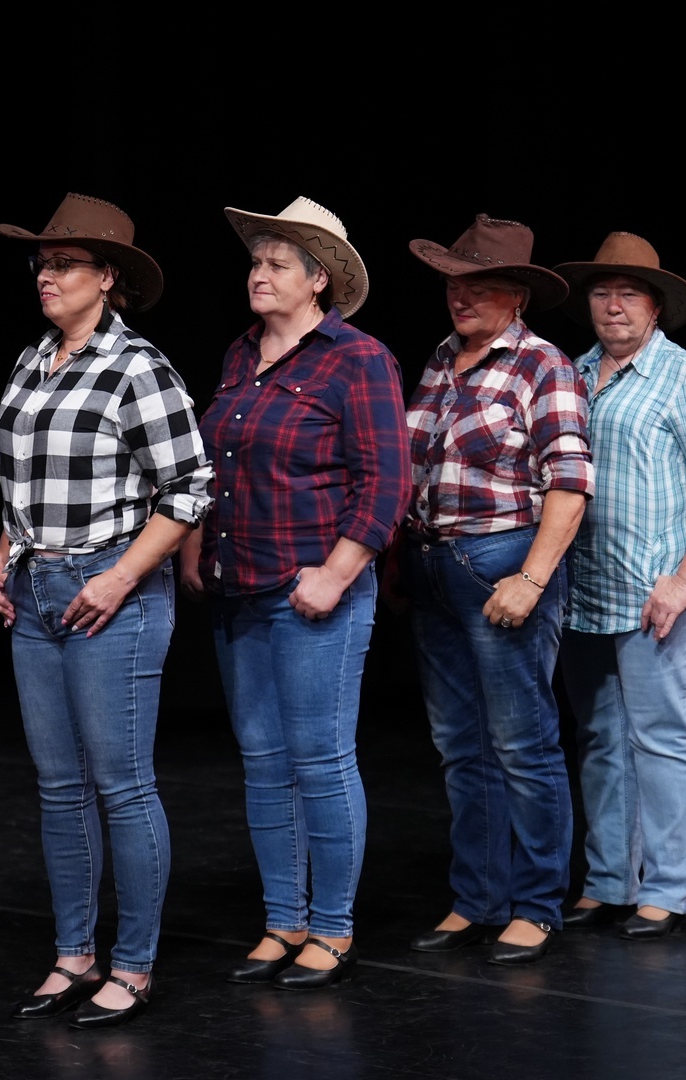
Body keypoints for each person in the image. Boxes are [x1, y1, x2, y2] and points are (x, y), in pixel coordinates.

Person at [0, 193, 213, 1028]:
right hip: (37, 587)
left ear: (108, 277)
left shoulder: (138, 368)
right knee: (59, 787)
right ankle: (73, 954)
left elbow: (190, 488)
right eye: (41, 264)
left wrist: (120, 579)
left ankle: (135, 965)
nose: (46, 277)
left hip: (111, 591)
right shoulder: (31, 360)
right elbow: (22, 479)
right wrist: (4, 557)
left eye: (64, 265)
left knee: (122, 785)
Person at [179, 196, 409, 990]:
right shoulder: (239, 354)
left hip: (314, 591)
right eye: (256, 261)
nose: (259, 274)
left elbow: (386, 481)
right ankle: (284, 919)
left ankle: (333, 928)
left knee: (320, 758)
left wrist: (338, 573)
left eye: (278, 264)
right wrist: (195, 546)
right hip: (239, 587)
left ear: (319, 281)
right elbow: (214, 467)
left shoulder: (358, 359)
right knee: (263, 761)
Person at [396, 214, 593, 965]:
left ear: (518, 296)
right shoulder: (442, 361)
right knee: (460, 744)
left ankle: (537, 904)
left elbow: (569, 484)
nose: (461, 296)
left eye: (480, 285)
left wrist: (532, 578)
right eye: (454, 283)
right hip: (434, 566)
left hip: (503, 560)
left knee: (522, 741)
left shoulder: (544, 365)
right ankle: (477, 897)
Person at [551, 233, 686, 940]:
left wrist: (685, 581)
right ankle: (609, 881)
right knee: (600, 737)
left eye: (628, 293)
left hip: (659, 592)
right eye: (602, 292)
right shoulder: (571, 373)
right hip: (586, 590)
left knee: (660, 737)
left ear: (655, 306)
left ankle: (664, 888)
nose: (614, 305)